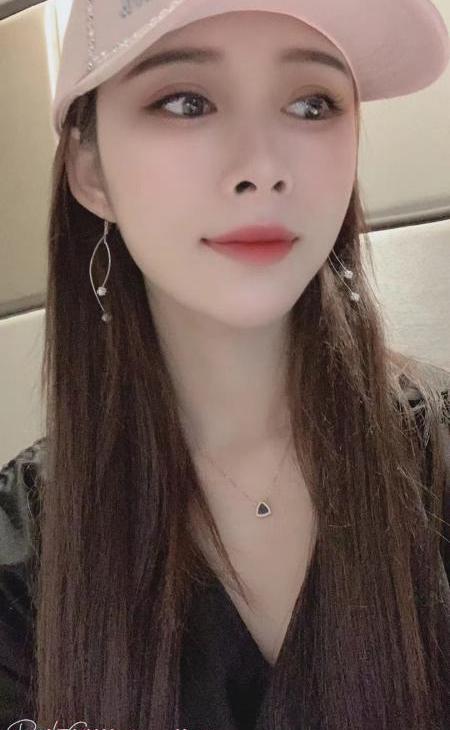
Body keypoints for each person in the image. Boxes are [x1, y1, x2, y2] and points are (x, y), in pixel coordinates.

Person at [1, 1, 449, 728]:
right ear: (90, 166)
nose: (263, 169)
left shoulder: (437, 460)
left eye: (312, 104)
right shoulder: (21, 562)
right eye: (186, 102)